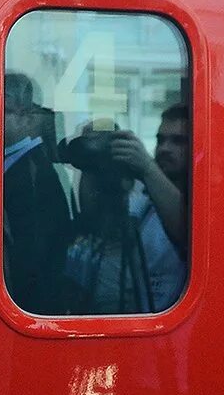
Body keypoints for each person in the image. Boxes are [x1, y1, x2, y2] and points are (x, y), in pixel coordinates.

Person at [57, 112, 187, 313]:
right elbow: (93, 217)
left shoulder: (196, 204)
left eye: (178, 141)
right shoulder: (141, 196)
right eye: (160, 140)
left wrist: (147, 168)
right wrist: (95, 161)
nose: (164, 149)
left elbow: (187, 233)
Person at [2, 73, 73, 314]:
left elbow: (31, 258)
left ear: (27, 117)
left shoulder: (33, 174)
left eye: (4, 110)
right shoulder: (19, 164)